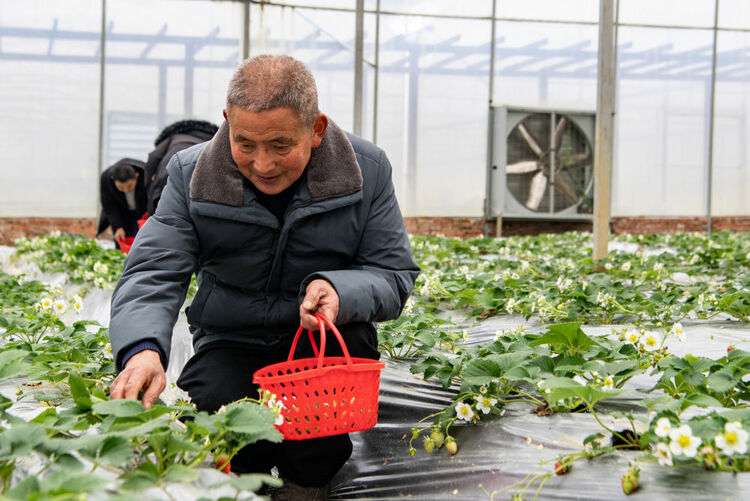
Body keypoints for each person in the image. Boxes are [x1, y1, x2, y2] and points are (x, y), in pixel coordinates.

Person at [108, 54, 419, 500]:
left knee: (317, 444)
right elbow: (153, 271)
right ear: (227, 123)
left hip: (325, 342)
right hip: (233, 338)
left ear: (316, 130)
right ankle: (241, 482)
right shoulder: (190, 174)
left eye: (279, 145)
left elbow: (393, 273)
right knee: (217, 420)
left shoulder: (365, 172)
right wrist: (140, 350)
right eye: (246, 144)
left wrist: (339, 290)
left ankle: (306, 484)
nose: (263, 164)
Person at [144, 119, 218, 216]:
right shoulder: (213, 140)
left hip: (168, 172)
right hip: (201, 171)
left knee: (158, 210)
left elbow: (153, 158)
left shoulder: (172, 137)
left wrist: (149, 184)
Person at [96, 158, 147, 246]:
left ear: (137, 176)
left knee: (140, 241)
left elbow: (154, 199)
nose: (126, 190)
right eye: (121, 188)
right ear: (113, 179)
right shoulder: (106, 179)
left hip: (142, 213)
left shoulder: (146, 174)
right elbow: (109, 206)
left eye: (130, 186)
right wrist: (118, 227)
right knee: (121, 240)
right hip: (121, 214)